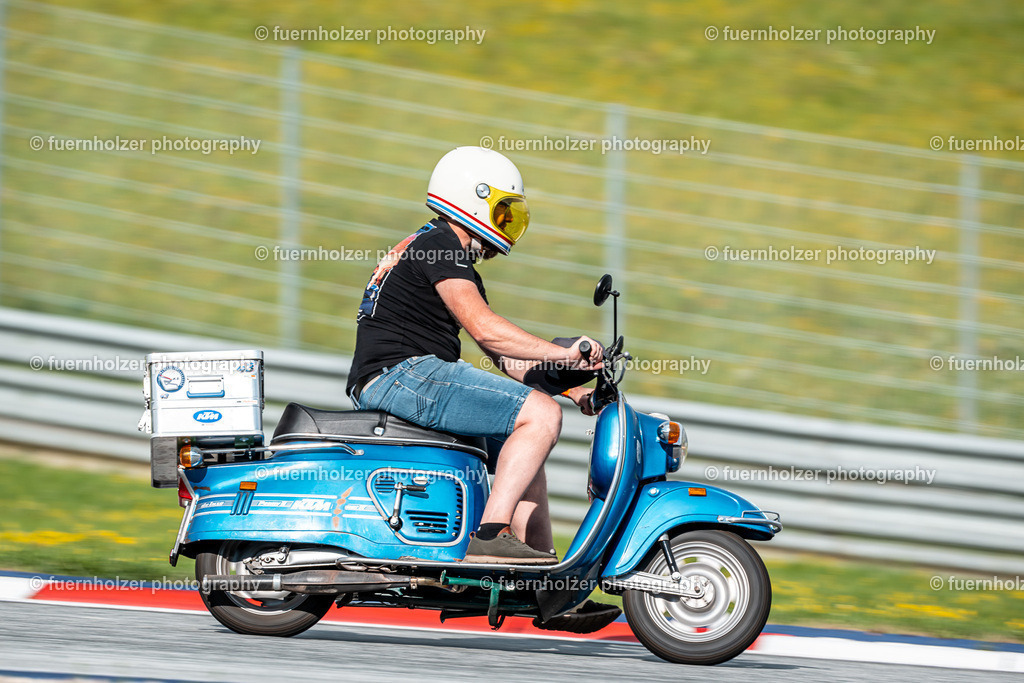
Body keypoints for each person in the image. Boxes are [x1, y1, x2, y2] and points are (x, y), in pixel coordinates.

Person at [346, 146, 602, 565]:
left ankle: (542, 572)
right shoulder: (441, 246)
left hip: (404, 374)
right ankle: (489, 535)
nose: (508, 223)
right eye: (503, 211)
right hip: (401, 374)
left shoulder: (442, 249)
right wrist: (567, 352)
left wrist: (573, 389)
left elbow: (503, 357)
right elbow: (487, 329)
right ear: (473, 198)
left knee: (525, 437)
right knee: (541, 416)